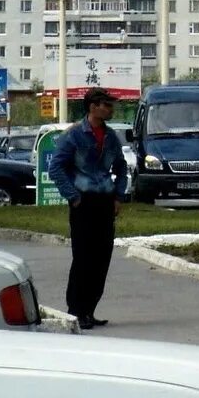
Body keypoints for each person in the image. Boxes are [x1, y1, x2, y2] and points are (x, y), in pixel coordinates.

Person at [47, 88, 128, 329]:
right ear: (93, 107)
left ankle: (90, 310)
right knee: (83, 258)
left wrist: (118, 196)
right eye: (107, 105)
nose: (111, 109)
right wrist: (73, 196)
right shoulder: (74, 135)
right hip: (83, 202)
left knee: (102, 258)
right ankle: (76, 311)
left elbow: (121, 168)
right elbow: (56, 168)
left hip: (105, 201)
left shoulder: (111, 136)